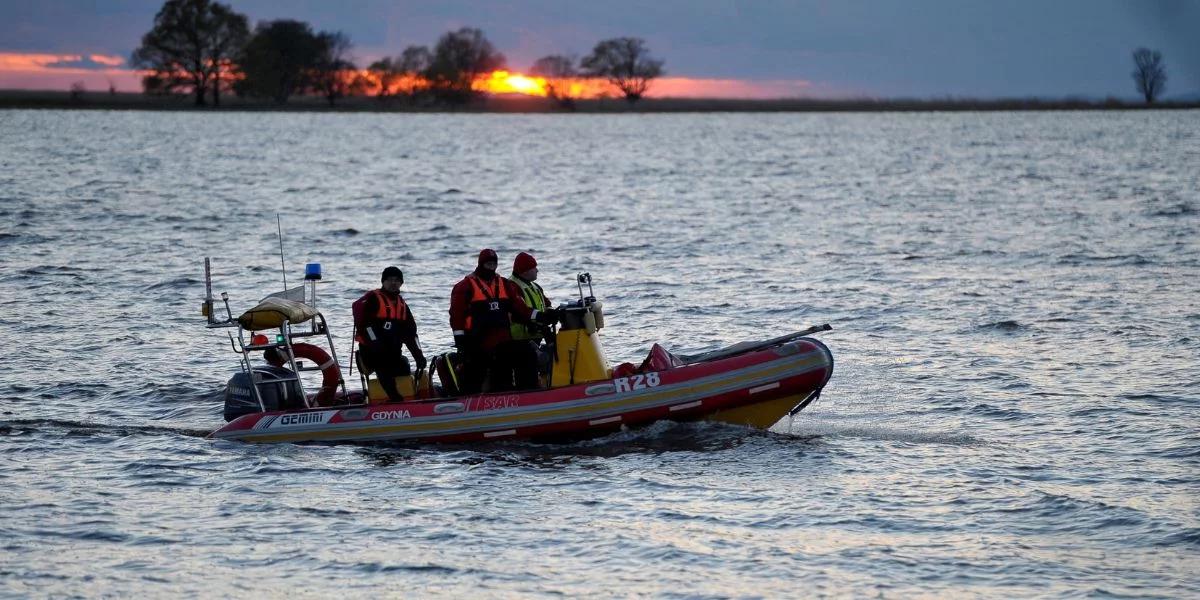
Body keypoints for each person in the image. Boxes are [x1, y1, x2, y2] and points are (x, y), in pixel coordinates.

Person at [449, 249, 556, 393]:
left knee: (527, 352)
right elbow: (456, 316)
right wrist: (461, 344)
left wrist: (542, 317)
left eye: (494, 264)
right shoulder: (465, 287)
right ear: (481, 264)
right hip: (477, 344)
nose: (491, 267)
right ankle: (474, 401)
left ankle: (528, 393)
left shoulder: (504, 285)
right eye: (488, 264)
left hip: (502, 342)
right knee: (476, 376)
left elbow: (521, 309)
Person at [354, 266, 425, 402]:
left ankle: (409, 397)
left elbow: (410, 335)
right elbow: (366, 327)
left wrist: (418, 356)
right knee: (383, 364)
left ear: (401, 283)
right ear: (383, 281)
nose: (393, 283)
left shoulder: (402, 306)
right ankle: (395, 399)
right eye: (390, 280)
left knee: (404, 365)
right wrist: (377, 345)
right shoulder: (373, 299)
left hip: (393, 353)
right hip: (372, 352)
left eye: (397, 280)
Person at [507, 252, 553, 388]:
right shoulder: (512, 286)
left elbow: (547, 304)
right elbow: (520, 310)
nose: (537, 270)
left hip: (535, 337)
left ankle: (542, 384)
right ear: (525, 271)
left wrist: (552, 313)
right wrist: (540, 317)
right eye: (534, 267)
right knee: (525, 374)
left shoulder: (535, 287)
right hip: (520, 340)